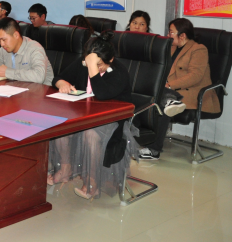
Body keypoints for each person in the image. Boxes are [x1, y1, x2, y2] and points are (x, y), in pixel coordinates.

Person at [48, 31, 137, 200]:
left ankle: (92, 181)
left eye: (99, 65)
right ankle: (65, 169)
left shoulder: (119, 72)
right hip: (86, 115)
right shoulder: (82, 64)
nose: (95, 67)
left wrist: (92, 67)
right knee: (61, 124)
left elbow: (102, 93)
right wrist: (62, 83)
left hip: (112, 121)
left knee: (90, 134)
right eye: (90, 63)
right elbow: (57, 78)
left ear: (111, 60)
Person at [138, 19, 215, 160]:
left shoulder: (199, 49)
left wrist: (169, 85)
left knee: (162, 103)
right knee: (145, 94)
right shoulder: (171, 47)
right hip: (171, 90)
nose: (168, 35)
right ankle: (140, 137)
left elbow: (195, 76)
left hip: (193, 92)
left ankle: (154, 150)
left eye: (171, 32)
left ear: (182, 35)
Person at [0, 18, 53, 85]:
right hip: (16, 90)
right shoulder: (4, 49)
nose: (2, 44)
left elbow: (39, 76)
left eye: (4, 40)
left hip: (40, 93)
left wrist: (7, 72)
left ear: (16, 35)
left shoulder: (35, 48)